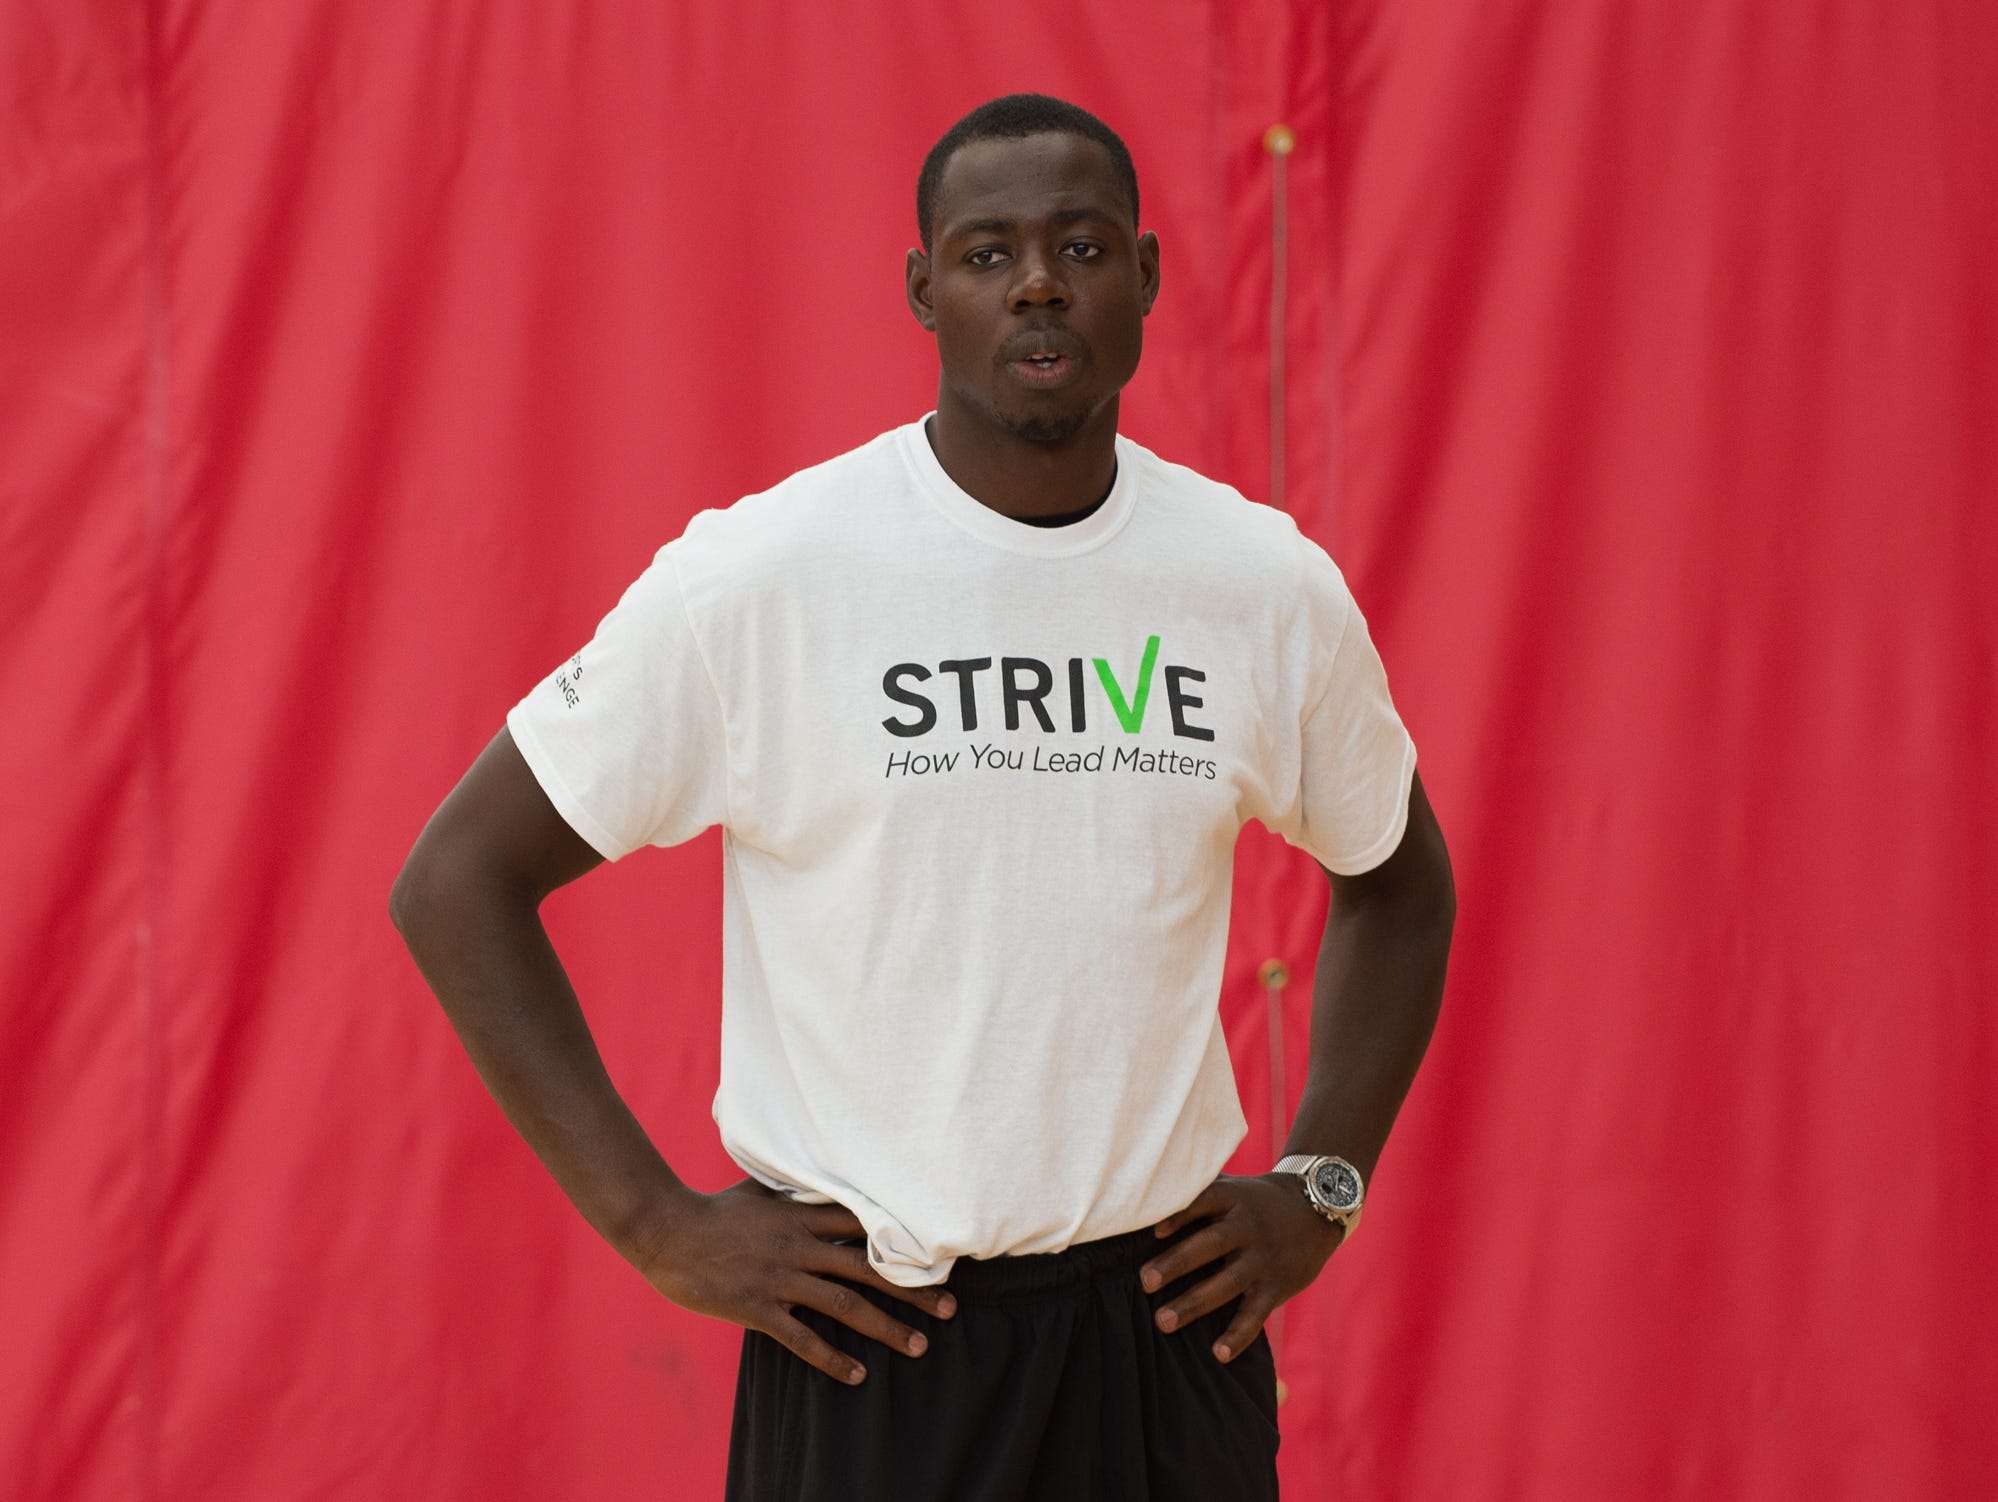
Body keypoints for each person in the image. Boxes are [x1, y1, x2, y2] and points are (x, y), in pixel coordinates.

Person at [391, 91, 1456, 1501]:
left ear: (1142, 278)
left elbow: (1397, 877)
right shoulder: (763, 576)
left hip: (1163, 1337)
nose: (1034, 282)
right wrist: (651, 1222)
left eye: (1078, 248)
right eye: (985, 251)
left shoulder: (1260, 586)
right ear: (922, 289)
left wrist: (1322, 1179)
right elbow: (456, 879)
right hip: (876, 1345)